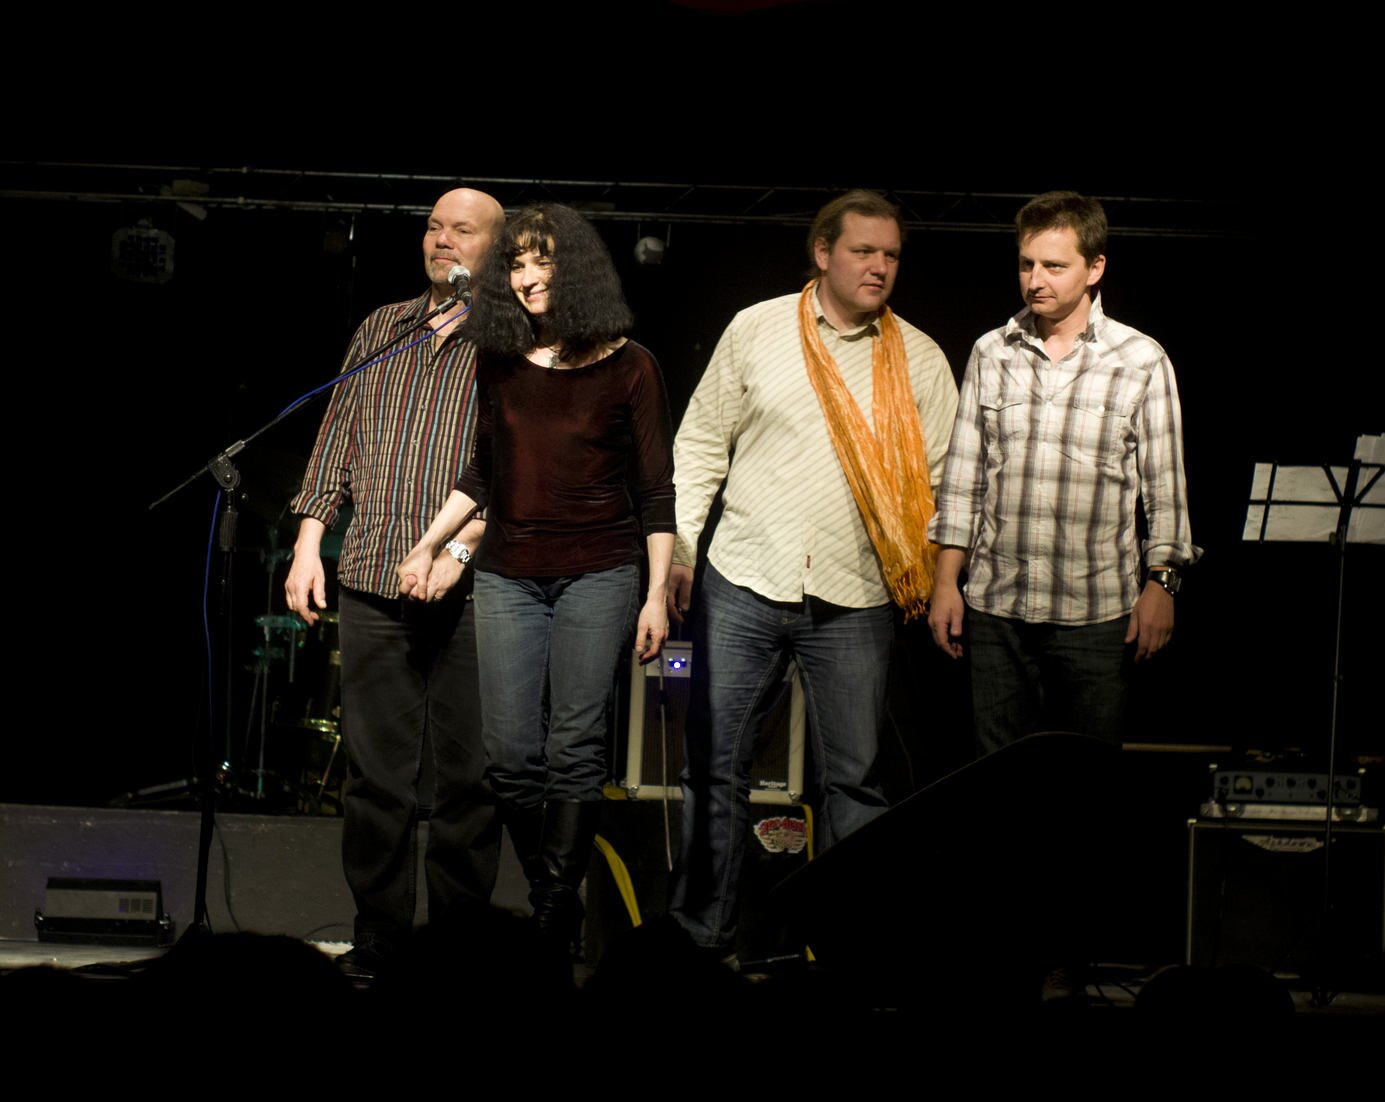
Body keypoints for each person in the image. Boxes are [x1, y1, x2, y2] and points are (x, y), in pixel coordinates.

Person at [665, 189, 958, 955]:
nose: (880, 267)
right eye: (864, 251)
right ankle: (701, 939)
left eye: (891, 255)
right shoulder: (756, 329)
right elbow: (700, 446)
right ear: (823, 253)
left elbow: (946, 486)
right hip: (744, 577)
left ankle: (850, 951)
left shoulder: (921, 358)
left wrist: (939, 579)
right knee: (713, 767)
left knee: (853, 784)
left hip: (856, 594)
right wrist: (684, 552)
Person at [398, 203, 676, 959]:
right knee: (509, 756)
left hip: (600, 572)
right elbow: (482, 472)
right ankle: (561, 894)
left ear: (575, 266)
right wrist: (428, 545)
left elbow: (656, 492)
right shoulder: (500, 360)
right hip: (509, 575)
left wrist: (655, 595)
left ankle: (551, 916)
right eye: (515, 264)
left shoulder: (632, 366)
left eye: (541, 261)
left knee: (573, 748)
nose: (526, 278)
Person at [286, 188, 507, 979]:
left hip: (475, 590)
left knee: (468, 785)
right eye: (434, 228)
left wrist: (464, 550)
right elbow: (337, 437)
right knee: (376, 783)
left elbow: (525, 464)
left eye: (463, 231)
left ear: (497, 247)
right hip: (374, 576)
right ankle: (379, 943)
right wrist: (309, 541)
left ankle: (456, 955)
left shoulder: (515, 336)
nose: (443, 241)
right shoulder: (383, 327)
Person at [927, 190, 1200, 759]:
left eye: (1054, 266)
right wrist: (946, 582)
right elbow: (963, 480)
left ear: (1094, 268)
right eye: (1027, 264)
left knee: (1086, 782)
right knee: (998, 775)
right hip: (998, 609)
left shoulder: (1140, 359)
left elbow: (1165, 490)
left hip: (1095, 613)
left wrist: (1163, 585)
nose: (1035, 280)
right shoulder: (991, 352)